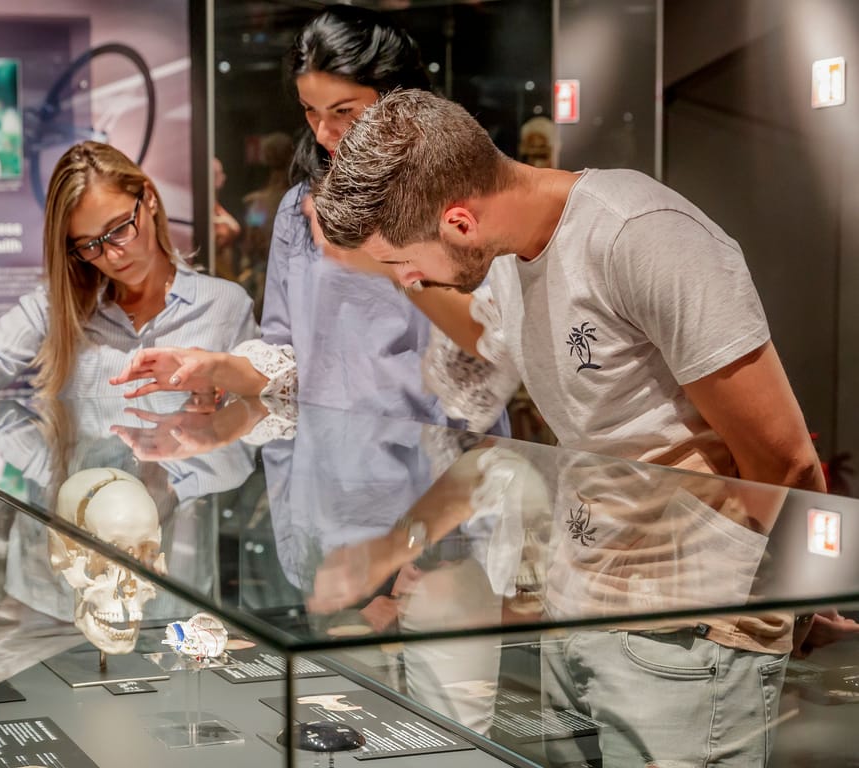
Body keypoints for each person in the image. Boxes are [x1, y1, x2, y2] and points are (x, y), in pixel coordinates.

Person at [311, 86, 827, 767]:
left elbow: (785, 459)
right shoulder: (509, 260)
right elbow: (488, 341)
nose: (409, 280)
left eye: (402, 262)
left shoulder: (640, 233)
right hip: (579, 611)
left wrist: (787, 601)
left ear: (460, 222)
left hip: (684, 636)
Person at [111, 5, 508, 431]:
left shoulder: (457, 195)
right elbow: (289, 357)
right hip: (325, 467)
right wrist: (214, 367)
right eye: (310, 111)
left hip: (437, 469)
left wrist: (383, 265)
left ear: (398, 98)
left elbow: (493, 343)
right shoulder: (299, 206)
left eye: (343, 112)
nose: (322, 132)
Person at [0, 140, 257, 397]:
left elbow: (268, 411)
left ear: (149, 198)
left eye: (119, 229)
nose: (111, 255)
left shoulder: (224, 306)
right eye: (88, 244)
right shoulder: (58, 307)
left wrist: (218, 392)